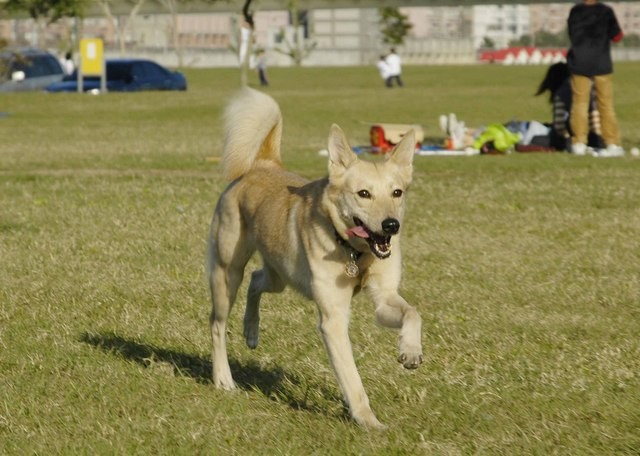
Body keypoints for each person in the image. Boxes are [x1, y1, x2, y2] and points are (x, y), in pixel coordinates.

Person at [566, 0, 624, 156]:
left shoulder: (575, 11)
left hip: (578, 62)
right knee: (605, 104)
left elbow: (571, 34)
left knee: (579, 103)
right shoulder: (606, 11)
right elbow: (617, 36)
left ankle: (579, 143)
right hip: (601, 63)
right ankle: (611, 143)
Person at [535, 62, 604, 152]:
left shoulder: (561, 94)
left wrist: (567, 140)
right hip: (596, 137)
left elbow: (559, 127)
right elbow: (595, 121)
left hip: (577, 139)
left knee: (536, 139)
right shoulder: (589, 88)